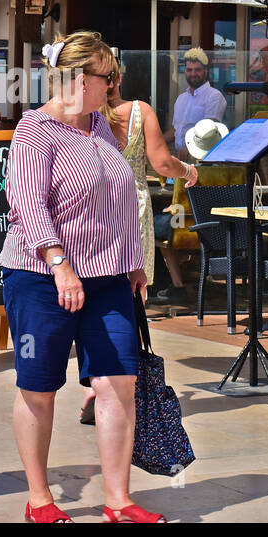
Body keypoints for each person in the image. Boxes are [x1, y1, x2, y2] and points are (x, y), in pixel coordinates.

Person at [1, 32, 162, 523]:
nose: (113, 85)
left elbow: (120, 198)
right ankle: (40, 499)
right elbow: (29, 206)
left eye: (112, 76)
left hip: (108, 278)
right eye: (106, 76)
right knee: (40, 385)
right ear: (76, 78)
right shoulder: (34, 131)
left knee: (119, 383)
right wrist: (60, 264)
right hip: (40, 276)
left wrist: (132, 259)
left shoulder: (102, 126)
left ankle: (118, 499)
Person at [74, 60, 199, 423]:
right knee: (129, 298)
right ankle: (106, 387)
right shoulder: (139, 112)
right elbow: (161, 163)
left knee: (95, 296)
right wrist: (189, 170)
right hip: (132, 208)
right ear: (119, 78)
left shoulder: (82, 116)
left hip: (92, 210)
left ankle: (92, 385)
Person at [164, 47, 226, 158]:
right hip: (180, 156)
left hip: (202, 157)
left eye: (197, 69)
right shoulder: (181, 98)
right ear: (185, 71)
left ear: (205, 71)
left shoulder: (214, 96)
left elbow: (208, 132)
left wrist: (187, 149)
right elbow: (176, 130)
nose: (193, 73)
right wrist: (158, 141)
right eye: (189, 70)